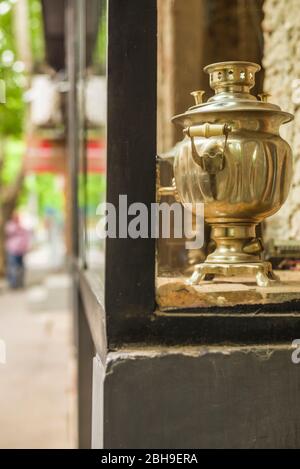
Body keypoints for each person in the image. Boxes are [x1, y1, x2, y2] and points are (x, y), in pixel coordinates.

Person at [5, 213, 30, 289]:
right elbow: (10, 231)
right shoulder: (10, 226)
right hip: (13, 250)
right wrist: (18, 227)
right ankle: (13, 284)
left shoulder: (22, 227)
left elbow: (26, 237)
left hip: (21, 251)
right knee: (13, 267)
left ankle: (20, 283)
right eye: (16, 218)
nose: (17, 219)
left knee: (21, 268)